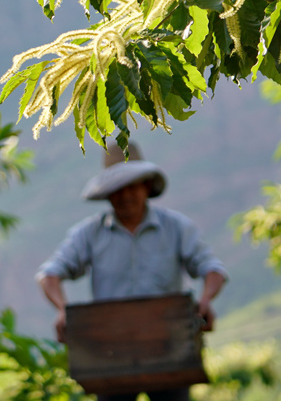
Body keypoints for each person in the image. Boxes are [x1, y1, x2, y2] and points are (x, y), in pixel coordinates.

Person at [35, 141, 229, 401]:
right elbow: (50, 274)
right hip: (110, 353)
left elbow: (213, 269)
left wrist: (205, 301)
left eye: (132, 186)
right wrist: (62, 310)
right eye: (117, 189)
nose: (125, 195)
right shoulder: (89, 233)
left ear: (146, 187)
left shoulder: (176, 227)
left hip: (168, 347)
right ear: (107, 194)